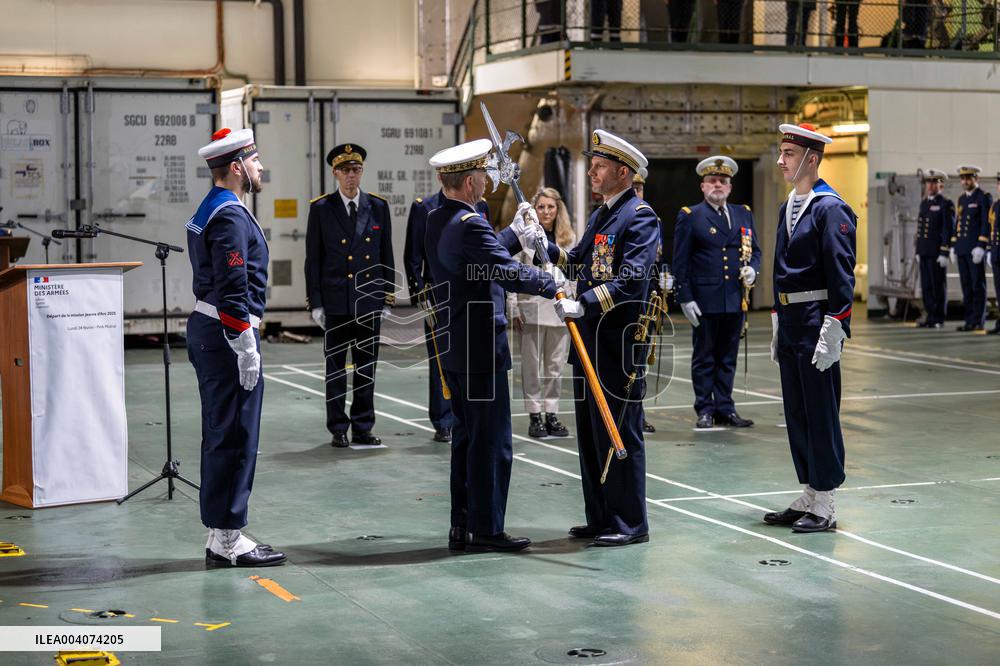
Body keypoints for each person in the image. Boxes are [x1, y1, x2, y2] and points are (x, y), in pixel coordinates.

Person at [424, 138, 560, 553]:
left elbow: (479, 257)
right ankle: (487, 528)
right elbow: (504, 273)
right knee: (492, 443)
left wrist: (514, 235)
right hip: (481, 345)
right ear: (469, 182)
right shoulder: (470, 224)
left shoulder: (438, 218)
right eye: (482, 174)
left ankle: (462, 523)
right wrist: (552, 282)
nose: (486, 180)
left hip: (456, 343)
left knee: (467, 438)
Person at [543, 129, 659, 547]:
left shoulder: (640, 215)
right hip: (588, 341)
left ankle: (630, 522)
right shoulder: (602, 214)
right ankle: (601, 516)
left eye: (599, 166)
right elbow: (576, 262)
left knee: (620, 432)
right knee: (592, 436)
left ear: (623, 172)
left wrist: (585, 303)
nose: (591, 172)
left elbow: (631, 280)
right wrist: (543, 244)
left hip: (617, 345)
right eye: (592, 165)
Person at [186, 127, 285, 567]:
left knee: (222, 432)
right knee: (236, 436)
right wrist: (244, 343)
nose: (260, 166)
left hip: (214, 333)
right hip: (227, 336)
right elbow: (232, 285)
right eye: (254, 159)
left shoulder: (216, 207)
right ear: (236, 166)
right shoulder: (227, 214)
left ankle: (219, 532)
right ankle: (228, 539)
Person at [765, 123, 856, 534]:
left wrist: (836, 326)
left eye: (788, 152)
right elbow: (779, 266)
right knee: (797, 410)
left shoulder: (829, 207)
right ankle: (809, 491)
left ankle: (826, 499)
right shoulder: (790, 205)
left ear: (811, 158)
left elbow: (841, 273)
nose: (781, 160)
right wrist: (775, 320)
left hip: (817, 321)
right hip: (790, 321)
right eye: (781, 151)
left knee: (820, 411)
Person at [305, 143, 396, 447]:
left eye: (355, 170)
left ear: (362, 171)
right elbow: (313, 259)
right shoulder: (321, 208)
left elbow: (386, 255)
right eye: (345, 171)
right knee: (335, 370)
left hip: (368, 302)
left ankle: (363, 426)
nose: (350, 176)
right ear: (335, 173)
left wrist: (387, 298)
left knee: (366, 368)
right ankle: (338, 427)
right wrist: (315, 302)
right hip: (336, 302)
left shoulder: (378, 206)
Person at [673, 156, 761, 429]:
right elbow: (681, 260)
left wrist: (753, 271)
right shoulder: (691, 215)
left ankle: (725, 407)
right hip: (705, 299)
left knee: (727, 357)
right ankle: (705, 409)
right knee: (705, 357)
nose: (718, 185)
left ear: (730, 187)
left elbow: (754, 251)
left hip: (734, 297)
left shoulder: (743, 213)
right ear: (702, 186)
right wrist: (685, 297)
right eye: (712, 180)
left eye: (723, 181)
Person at [403, 192, 489, 443]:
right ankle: (444, 420)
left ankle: (468, 414)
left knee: (471, 356)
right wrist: (420, 294)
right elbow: (413, 256)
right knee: (441, 358)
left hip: (472, 292)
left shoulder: (480, 205)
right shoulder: (425, 207)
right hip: (438, 292)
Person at [508, 187, 575, 439]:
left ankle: (552, 414)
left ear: (559, 210)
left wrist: (575, 304)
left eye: (551, 207)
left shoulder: (569, 238)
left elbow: (574, 275)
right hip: (531, 308)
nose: (546, 211)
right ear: (534, 210)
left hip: (559, 308)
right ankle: (535, 415)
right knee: (531, 367)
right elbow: (511, 271)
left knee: (555, 367)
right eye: (541, 207)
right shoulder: (524, 236)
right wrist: (513, 306)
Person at [633, 167, 671, 433]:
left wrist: (666, 276)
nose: (637, 192)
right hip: (626, 299)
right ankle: (629, 411)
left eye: (640, 188)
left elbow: (658, 258)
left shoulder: (652, 219)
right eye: (633, 188)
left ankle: (639, 411)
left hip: (648, 300)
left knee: (642, 359)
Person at [951, 165, 990, 332]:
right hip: (962, 248)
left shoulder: (983, 197)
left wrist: (981, 245)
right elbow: (958, 223)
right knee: (966, 286)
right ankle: (969, 320)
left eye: (969, 178)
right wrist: (954, 245)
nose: (966, 181)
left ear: (976, 179)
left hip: (975, 249)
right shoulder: (962, 199)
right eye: (963, 179)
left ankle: (978, 320)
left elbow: (985, 223)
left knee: (977, 286)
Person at [915, 169, 953, 328]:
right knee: (926, 286)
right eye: (928, 182)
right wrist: (918, 250)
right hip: (924, 251)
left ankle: (938, 317)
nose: (930, 186)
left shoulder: (945, 204)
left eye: (934, 182)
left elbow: (947, 229)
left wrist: (945, 251)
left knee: (938, 285)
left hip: (937, 252)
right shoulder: (924, 203)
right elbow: (920, 228)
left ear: (940, 185)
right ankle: (930, 315)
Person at [988, 173, 1000, 334]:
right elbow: (992, 229)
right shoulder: (996, 206)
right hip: (997, 253)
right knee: (999, 290)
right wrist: (990, 249)